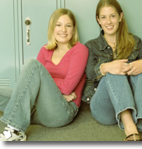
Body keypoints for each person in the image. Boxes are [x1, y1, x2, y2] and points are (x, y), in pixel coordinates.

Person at [0, 8, 88, 141]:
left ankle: (15, 130)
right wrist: (56, 92)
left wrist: (50, 87)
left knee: (32, 64)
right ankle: (19, 118)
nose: (63, 29)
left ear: (73, 29)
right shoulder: (45, 49)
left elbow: (67, 88)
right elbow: (34, 82)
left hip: (62, 111)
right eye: (58, 25)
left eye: (68, 25)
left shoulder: (80, 50)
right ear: (52, 28)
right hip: (38, 108)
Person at [82, 0, 142, 141]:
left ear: (120, 17)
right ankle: (130, 129)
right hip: (104, 108)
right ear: (98, 20)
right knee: (113, 69)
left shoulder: (134, 41)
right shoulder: (91, 46)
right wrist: (105, 67)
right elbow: (89, 73)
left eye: (112, 16)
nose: (108, 22)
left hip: (133, 105)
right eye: (103, 17)